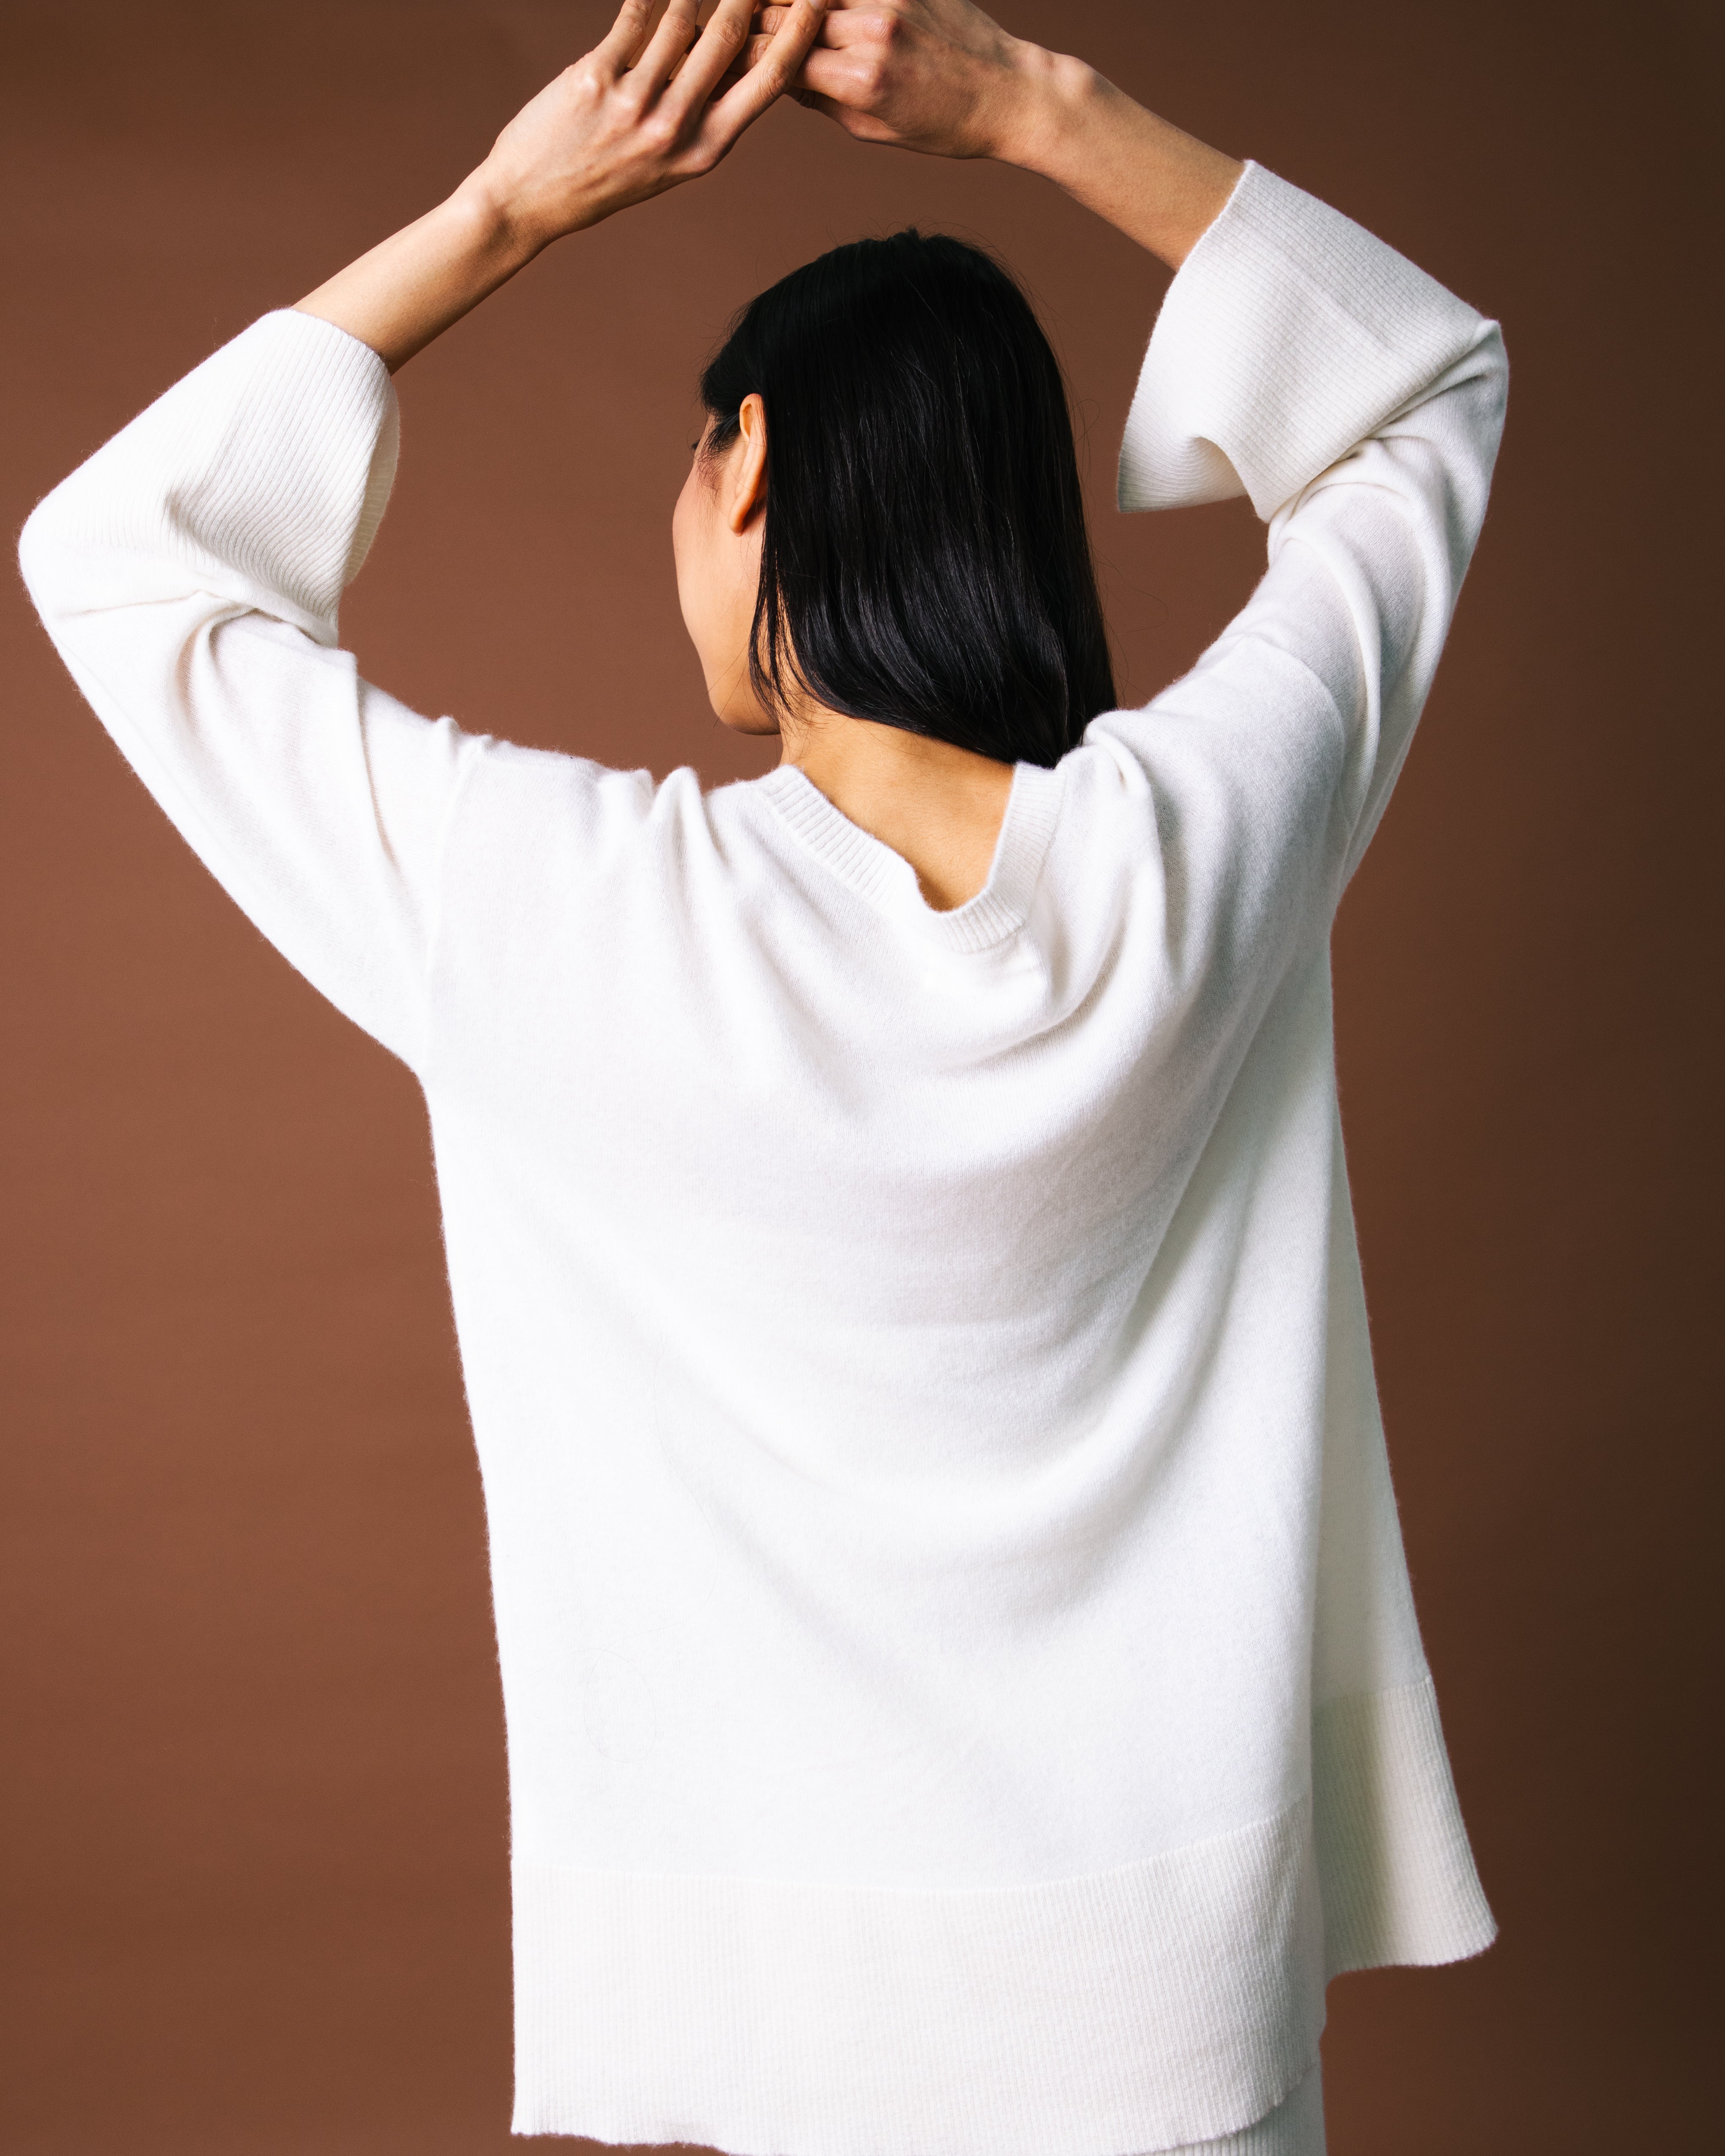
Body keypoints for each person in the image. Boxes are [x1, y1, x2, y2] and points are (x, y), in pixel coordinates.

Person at [18, 3, 1509, 2151]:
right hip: (1181, 2027)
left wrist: (508, 209)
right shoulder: (1211, 843)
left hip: (813, 2050)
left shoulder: (570, 913)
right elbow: (1426, 389)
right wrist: (1035, 107)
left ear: (745, 466)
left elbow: (117, 559)